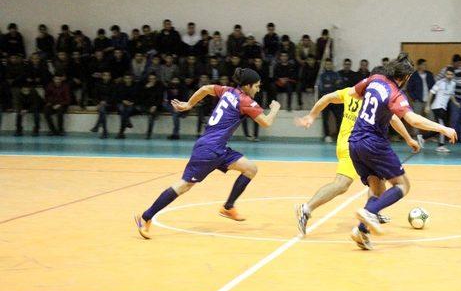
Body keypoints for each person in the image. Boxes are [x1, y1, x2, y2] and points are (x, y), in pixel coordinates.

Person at [134, 68, 281, 238]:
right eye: (256, 86)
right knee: (184, 186)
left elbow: (205, 89)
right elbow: (266, 123)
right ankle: (145, 217)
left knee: (250, 169)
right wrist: (275, 108)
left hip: (218, 148)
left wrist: (189, 104)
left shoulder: (228, 91)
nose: (258, 89)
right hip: (209, 150)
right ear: (247, 86)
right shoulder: (246, 100)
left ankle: (228, 207)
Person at [294, 66, 420, 236]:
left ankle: (373, 213)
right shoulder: (378, 95)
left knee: (377, 180)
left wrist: (312, 116)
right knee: (342, 184)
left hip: (346, 142)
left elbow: (326, 98)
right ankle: (307, 208)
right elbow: (394, 119)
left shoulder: (350, 92)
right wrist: (409, 138)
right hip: (358, 143)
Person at [346, 56, 456, 250]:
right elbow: (413, 120)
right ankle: (370, 212)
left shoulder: (375, 79)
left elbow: (354, 94)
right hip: (373, 143)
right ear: (405, 77)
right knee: (402, 185)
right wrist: (443, 129)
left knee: (376, 185)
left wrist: (406, 138)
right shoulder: (395, 94)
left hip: (355, 142)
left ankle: (361, 231)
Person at [427, 67, 459, 152]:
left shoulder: (453, 84)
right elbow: (431, 92)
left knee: (439, 128)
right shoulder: (439, 83)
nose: (449, 76)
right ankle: (440, 146)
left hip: (443, 108)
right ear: (445, 74)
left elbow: (451, 94)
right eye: (448, 74)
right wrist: (427, 105)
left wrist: (455, 102)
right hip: (437, 107)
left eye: (451, 74)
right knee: (442, 126)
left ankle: (422, 137)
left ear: (453, 75)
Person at [406, 58, 434, 138]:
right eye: (423, 64)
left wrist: (431, 99)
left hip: (428, 101)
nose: (425, 66)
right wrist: (414, 98)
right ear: (419, 66)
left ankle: (430, 135)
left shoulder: (429, 75)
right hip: (418, 101)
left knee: (431, 118)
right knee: (416, 118)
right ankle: (416, 135)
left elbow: (433, 87)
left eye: (426, 65)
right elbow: (409, 88)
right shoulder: (414, 75)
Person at [318, 59, 342, 142]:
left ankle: (339, 135)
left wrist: (329, 86)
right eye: (327, 64)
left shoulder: (336, 74)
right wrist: (332, 85)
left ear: (332, 65)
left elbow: (339, 85)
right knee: (325, 119)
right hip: (325, 100)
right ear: (325, 65)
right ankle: (327, 135)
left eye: (330, 64)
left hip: (335, 100)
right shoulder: (322, 76)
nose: (328, 65)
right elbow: (321, 88)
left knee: (339, 118)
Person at [90, 71, 114, 138]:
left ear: (110, 77)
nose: (106, 77)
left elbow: (114, 97)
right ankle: (104, 131)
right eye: (105, 75)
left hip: (110, 105)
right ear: (102, 76)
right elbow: (95, 96)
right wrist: (97, 103)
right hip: (100, 105)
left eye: (108, 75)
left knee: (102, 110)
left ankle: (97, 126)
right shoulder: (98, 84)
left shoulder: (113, 85)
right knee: (102, 110)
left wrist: (106, 102)